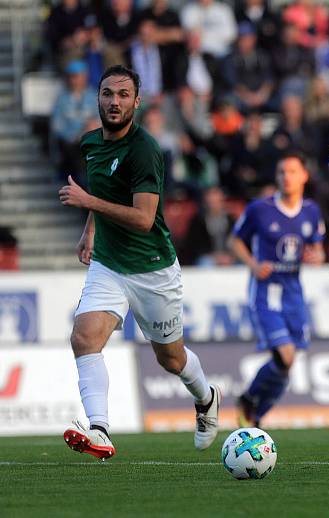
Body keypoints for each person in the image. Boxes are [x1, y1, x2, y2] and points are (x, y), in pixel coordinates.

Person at [57, 65, 220, 460]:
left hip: (152, 268)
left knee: (170, 358)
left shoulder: (145, 149)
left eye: (123, 95)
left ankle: (207, 398)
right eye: (108, 93)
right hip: (110, 264)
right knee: (84, 338)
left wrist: (87, 203)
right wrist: (90, 229)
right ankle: (99, 429)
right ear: (97, 99)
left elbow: (144, 218)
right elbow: (103, 189)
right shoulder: (92, 143)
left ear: (137, 102)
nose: (114, 102)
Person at [230, 152, 325, 428]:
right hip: (266, 292)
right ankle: (248, 401)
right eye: (282, 172)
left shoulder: (311, 211)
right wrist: (252, 263)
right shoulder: (260, 209)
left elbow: (317, 248)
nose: (287, 177)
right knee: (283, 355)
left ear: (304, 176)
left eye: (293, 172)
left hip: (294, 291)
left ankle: (255, 414)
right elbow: (234, 241)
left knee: (288, 363)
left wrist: (316, 257)